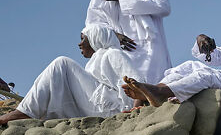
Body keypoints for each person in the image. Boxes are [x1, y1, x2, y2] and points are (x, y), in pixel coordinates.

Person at [0, 25, 137, 125]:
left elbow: (136, 80)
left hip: (115, 109)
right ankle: (32, 111)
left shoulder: (113, 53)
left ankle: (24, 112)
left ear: (96, 39)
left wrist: (135, 109)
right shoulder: (94, 63)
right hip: (103, 107)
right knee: (62, 80)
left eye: (83, 39)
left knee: (62, 63)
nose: (79, 44)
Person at [87, 0, 171, 83]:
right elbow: (92, 25)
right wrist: (114, 35)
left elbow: (163, 7)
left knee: (154, 89)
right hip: (122, 52)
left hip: (152, 50)